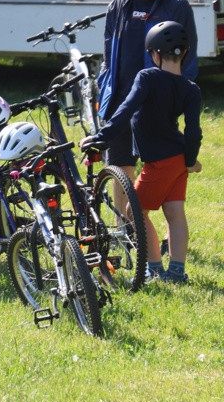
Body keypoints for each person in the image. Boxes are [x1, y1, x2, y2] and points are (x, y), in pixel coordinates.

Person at [82, 21, 201, 284]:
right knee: (174, 214)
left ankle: (155, 268)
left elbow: (125, 110)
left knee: (131, 211)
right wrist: (190, 160)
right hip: (178, 158)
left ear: (154, 54)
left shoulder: (146, 77)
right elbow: (194, 132)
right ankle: (177, 273)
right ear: (185, 53)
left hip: (159, 162)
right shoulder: (191, 89)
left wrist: (101, 138)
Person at [96, 0, 197, 184]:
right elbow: (108, 59)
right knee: (120, 169)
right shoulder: (119, 5)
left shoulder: (177, 7)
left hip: (156, 104)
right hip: (120, 102)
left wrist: (177, 97)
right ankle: (124, 223)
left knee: (159, 172)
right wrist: (105, 90)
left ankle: (147, 220)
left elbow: (188, 58)